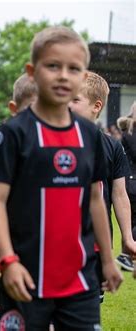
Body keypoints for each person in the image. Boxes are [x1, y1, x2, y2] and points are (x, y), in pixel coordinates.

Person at [0, 27, 123, 329]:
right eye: (52, 66)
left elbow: (96, 199)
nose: (63, 75)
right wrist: (8, 260)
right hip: (26, 277)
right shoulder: (15, 133)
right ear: (33, 72)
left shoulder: (90, 135)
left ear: (82, 77)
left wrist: (109, 261)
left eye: (73, 69)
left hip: (80, 279)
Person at [69, 72, 136, 281]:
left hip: (96, 244)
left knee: (88, 309)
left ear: (96, 106)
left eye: (75, 99)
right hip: (55, 239)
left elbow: (119, 194)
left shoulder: (112, 146)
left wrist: (128, 237)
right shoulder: (48, 137)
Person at [116, 101, 136, 272]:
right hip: (133, 182)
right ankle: (125, 255)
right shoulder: (130, 133)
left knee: (131, 222)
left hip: (129, 181)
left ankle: (126, 257)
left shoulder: (127, 132)